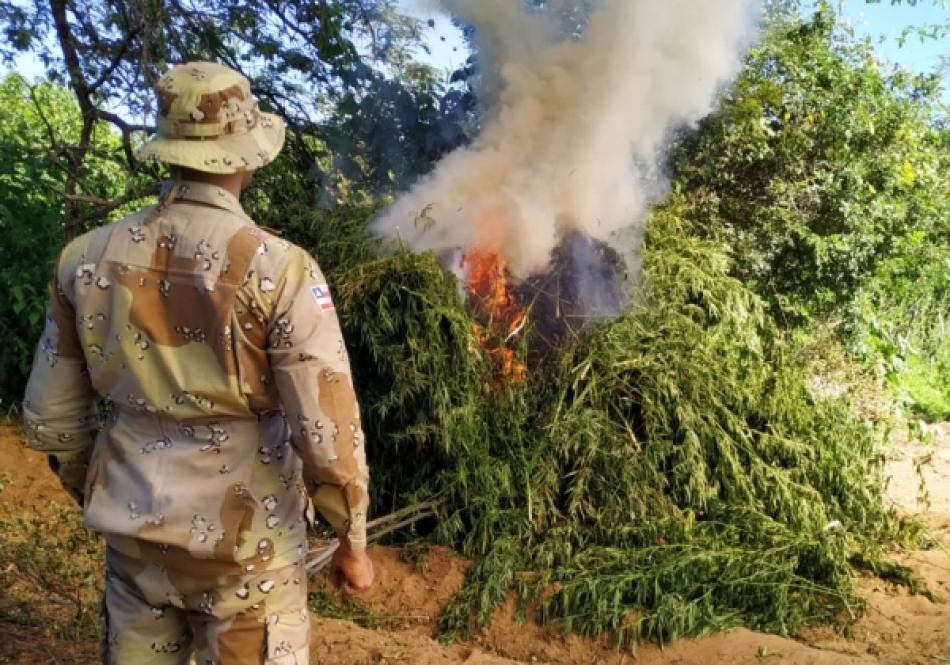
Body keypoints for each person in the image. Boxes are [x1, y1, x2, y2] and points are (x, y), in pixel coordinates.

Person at [22, 61, 373, 664]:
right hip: (249, 555)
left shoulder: (86, 257)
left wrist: (108, 492)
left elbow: (51, 418)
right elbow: (327, 430)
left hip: (135, 547)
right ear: (247, 157)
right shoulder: (279, 269)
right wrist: (353, 539)